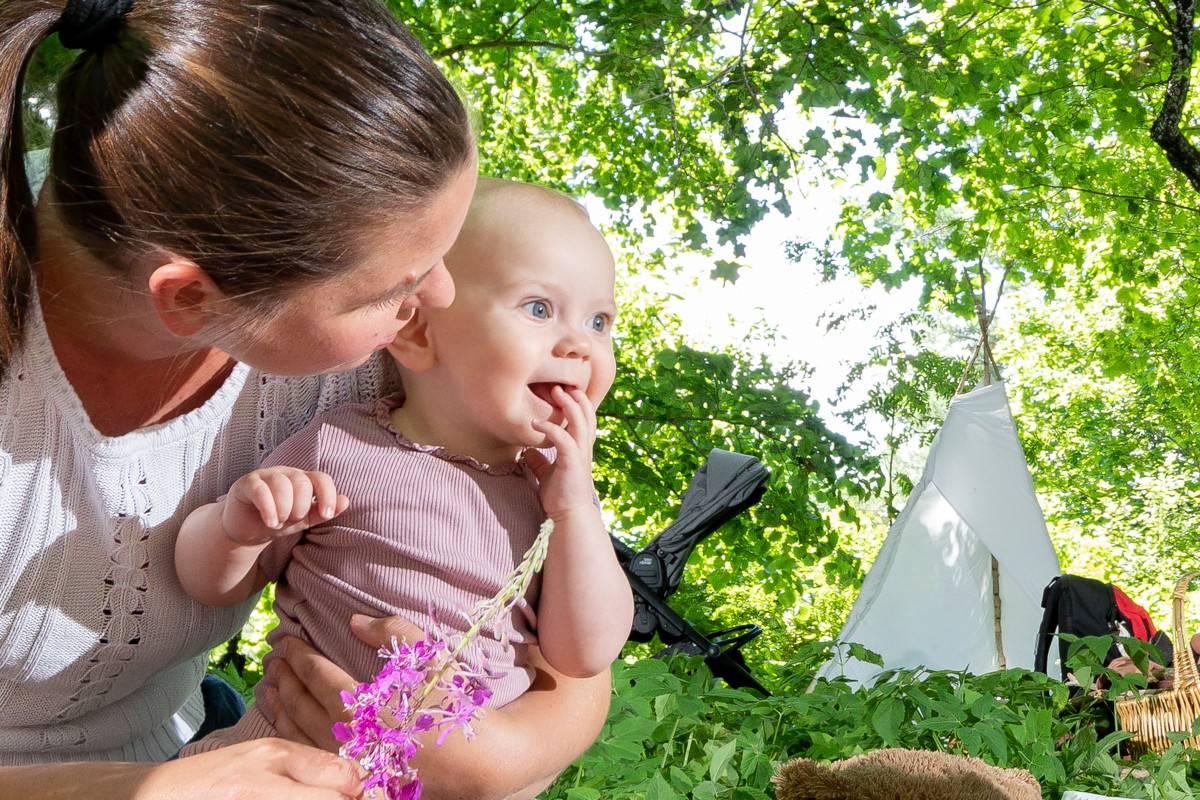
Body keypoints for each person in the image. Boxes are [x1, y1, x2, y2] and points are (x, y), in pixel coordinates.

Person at [0, 1, 610, 798]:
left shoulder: (381, 374)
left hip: (208, 750)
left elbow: (560, 612)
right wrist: (136, 792)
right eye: (396, 286)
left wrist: (498, 758)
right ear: (190, 302)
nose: (442, 297)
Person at [174, 178, 634, 757]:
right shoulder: (342, 447)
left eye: (600, 322)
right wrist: (236, 529)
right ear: (417, 332)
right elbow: (207, 584)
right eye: (539, 308)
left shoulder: (551, 501)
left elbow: (586, 652)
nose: (581, 346)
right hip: (290, 756)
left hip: (446, 778)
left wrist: (576, 508)